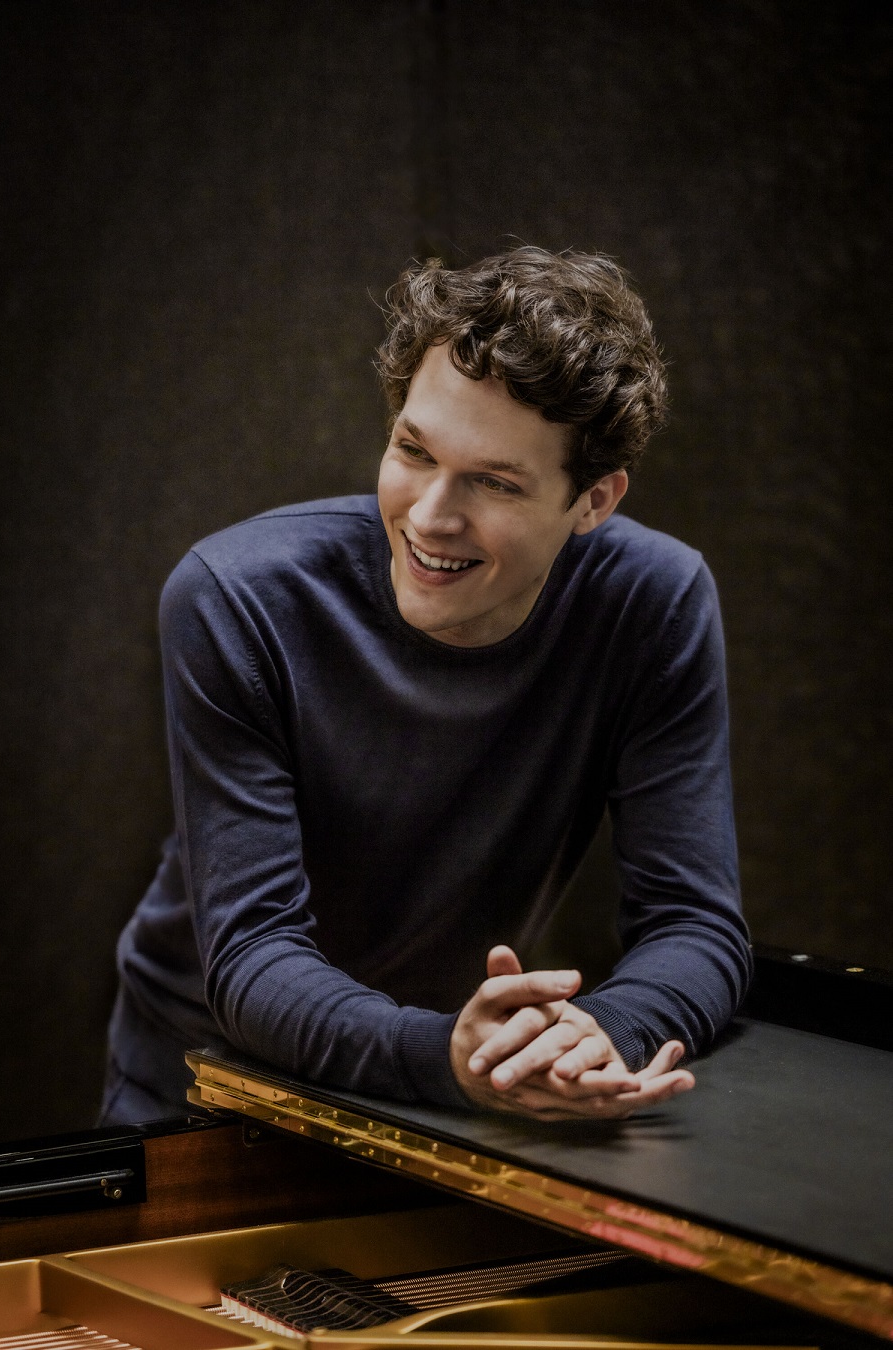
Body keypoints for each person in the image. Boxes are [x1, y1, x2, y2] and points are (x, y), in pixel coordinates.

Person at [101, 246, 751, 1127]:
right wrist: (455, 1057)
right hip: (203, 1082)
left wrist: (598, 1036)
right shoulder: (237, 598)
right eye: (414, 450)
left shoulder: (653, 603)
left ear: (594, 502)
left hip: (444, 1083)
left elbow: (695, 923)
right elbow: (253, 956)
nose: (431, 517)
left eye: (494, 482)